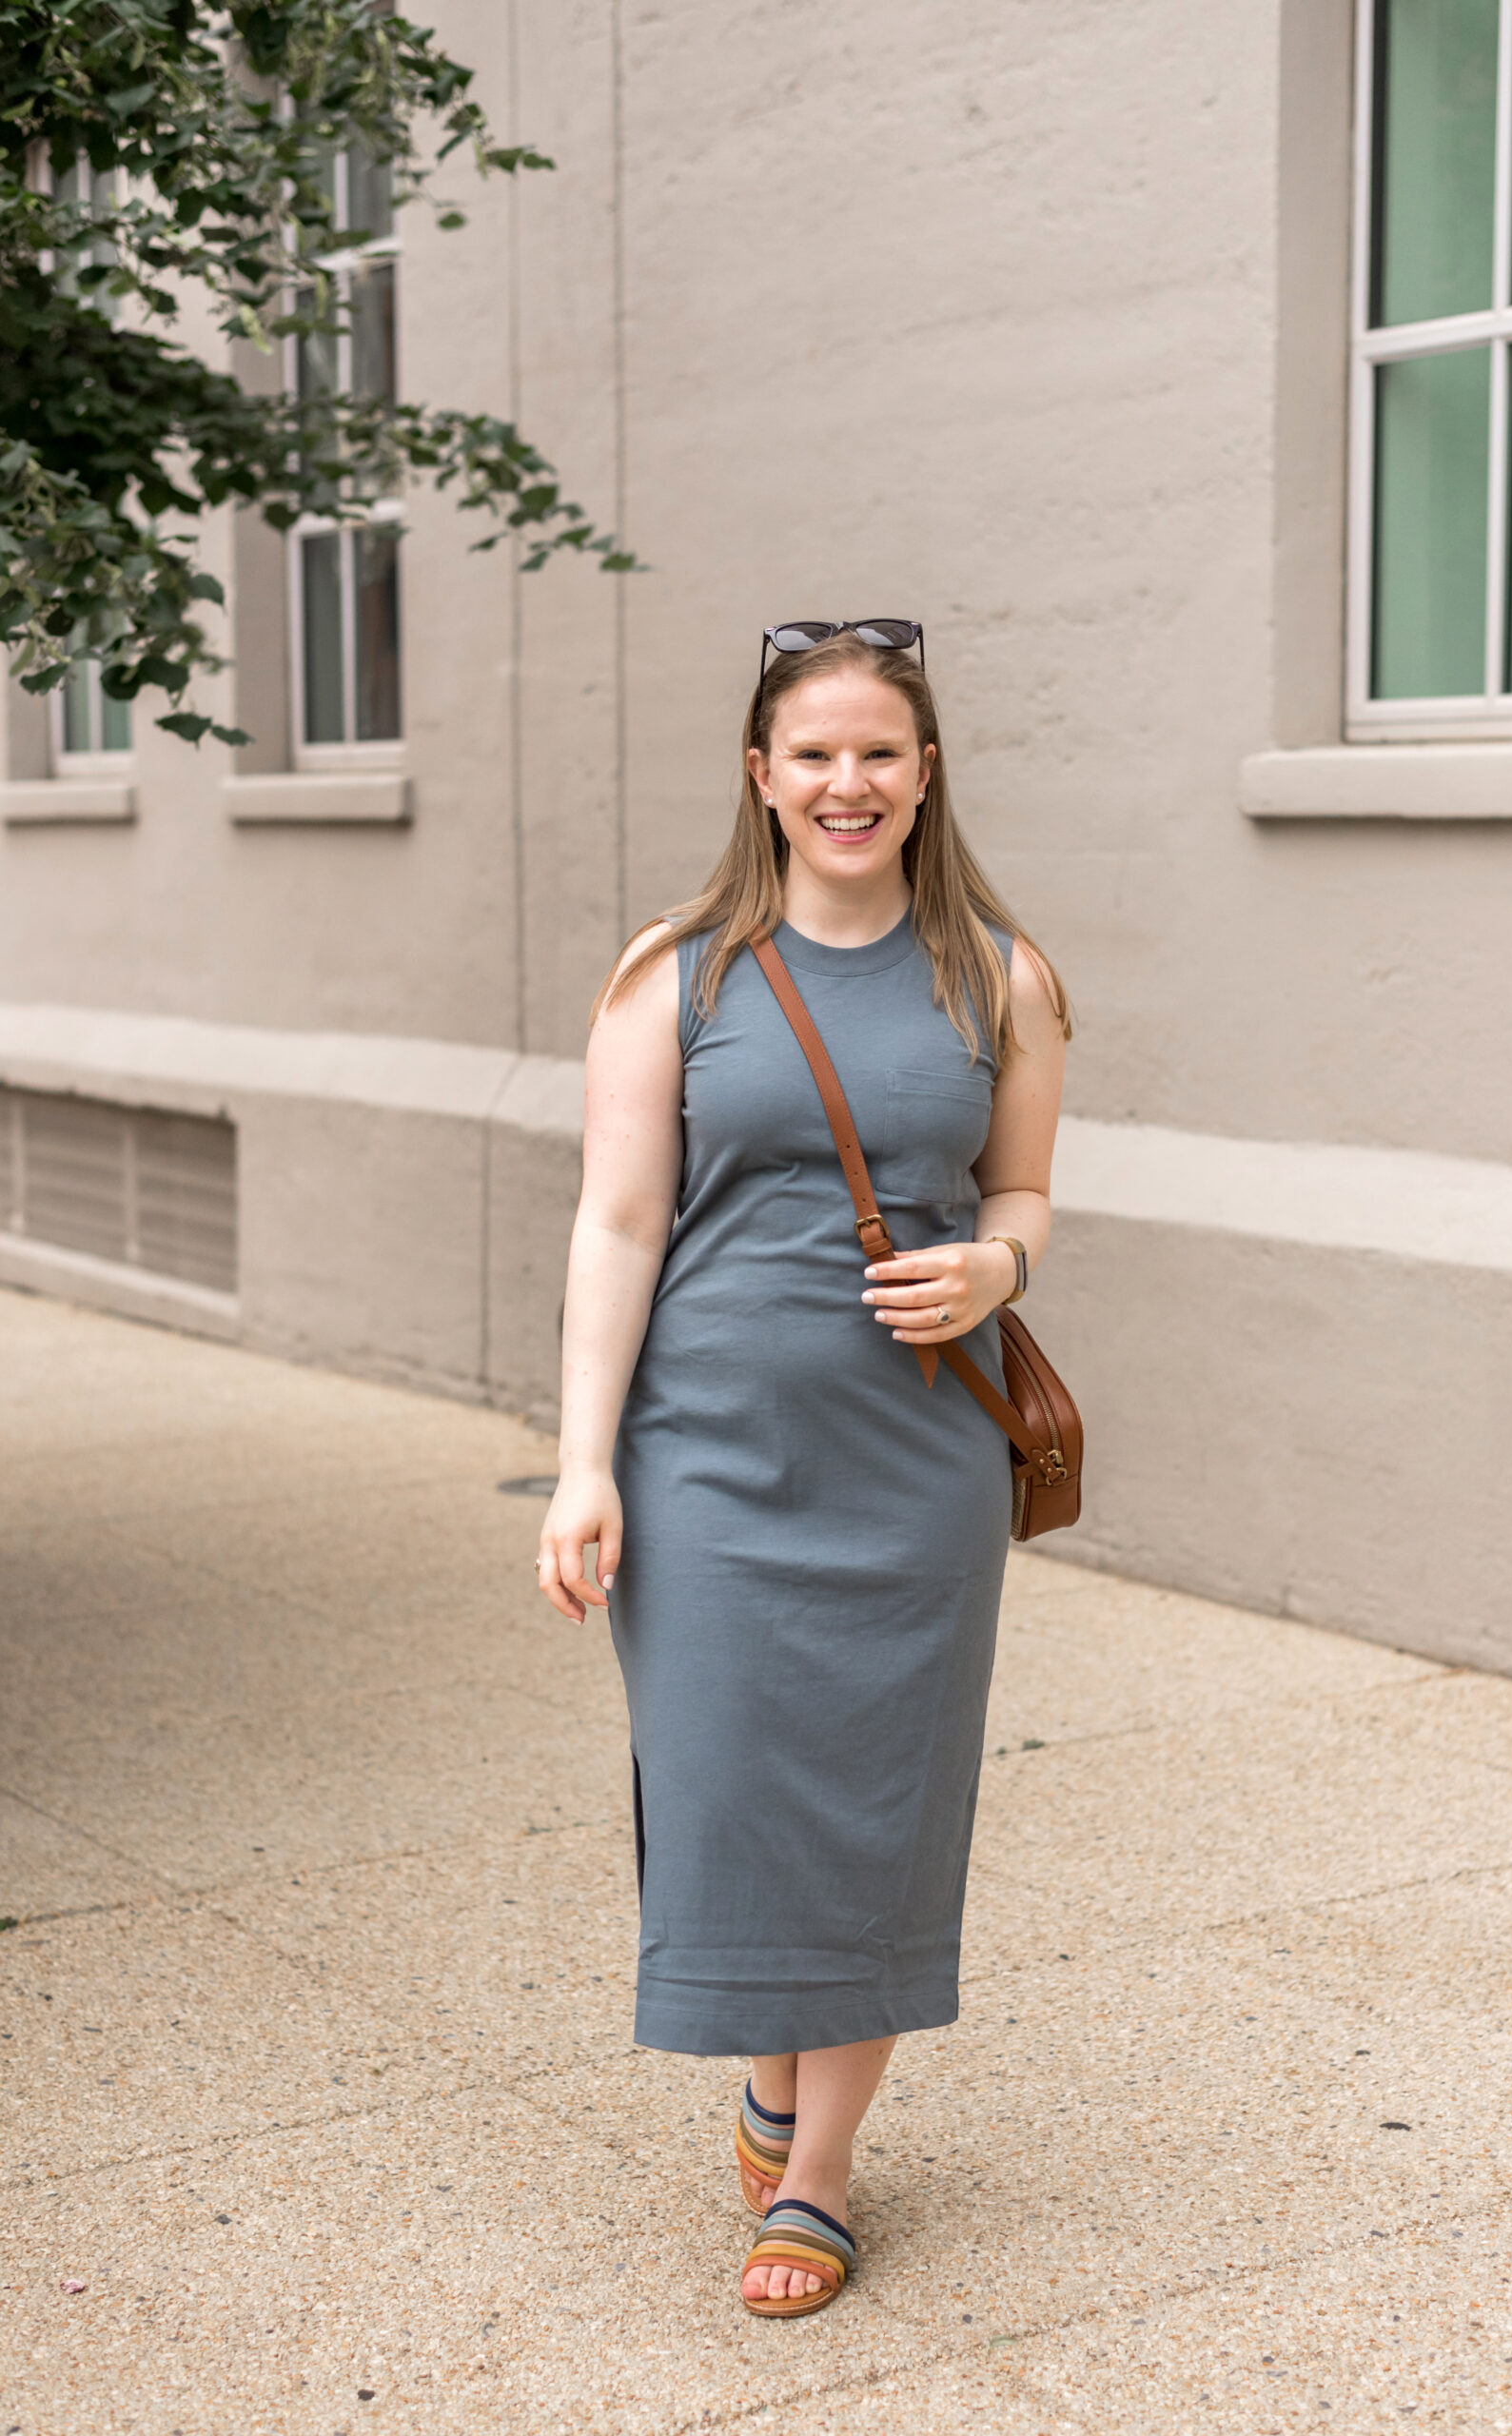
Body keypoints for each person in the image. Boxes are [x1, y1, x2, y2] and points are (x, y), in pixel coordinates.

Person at [537, 619, 1069, 2317]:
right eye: (815, 754)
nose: (850, 783)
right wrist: (580, 1465)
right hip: (704, 1460)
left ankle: (816, 2179)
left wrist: (995, 1269)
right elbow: (617, 1223)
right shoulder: (674, 970)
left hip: (915, 1468)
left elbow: (1022, 1197)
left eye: (881, 753)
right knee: (729, 1789)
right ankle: (771, 2078)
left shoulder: (1000, 975)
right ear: (760, 776)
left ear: (926, 776)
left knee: (875, 1812)